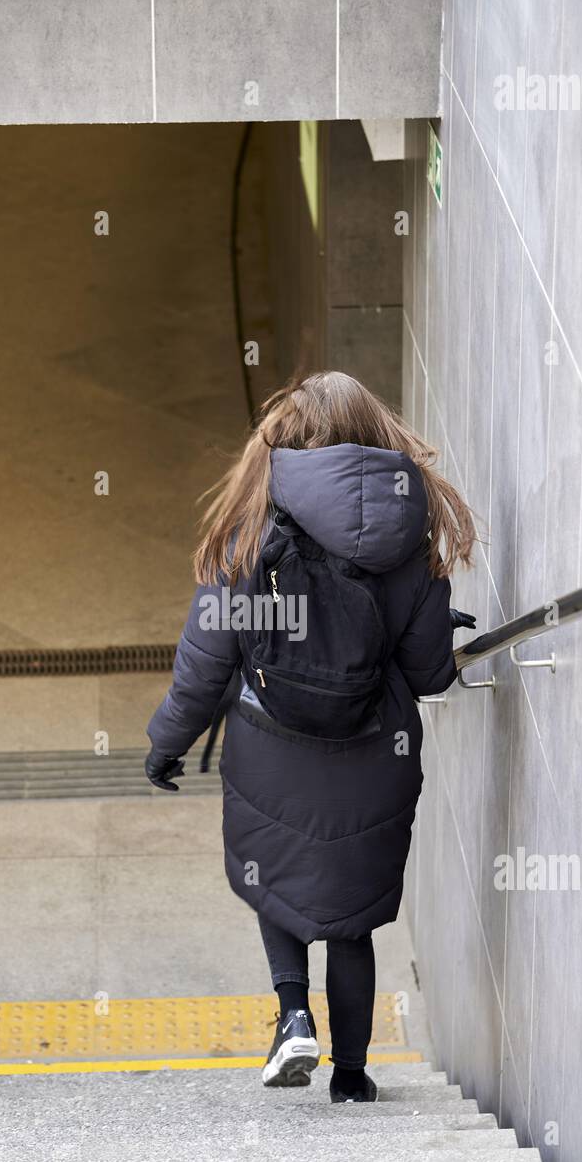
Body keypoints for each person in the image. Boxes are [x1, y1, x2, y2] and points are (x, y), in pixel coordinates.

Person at [145, 371, 477, 1102]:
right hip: (375, 756)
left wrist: (166, 742)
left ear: (286, 442)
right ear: (377, 431)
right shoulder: (410, 531)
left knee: (280, 888)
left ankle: (293, 1014)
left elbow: (207, 663)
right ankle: (353, 1077)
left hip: (272, 745)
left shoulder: (249, 532)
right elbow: (427, 674)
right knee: (351, 924)